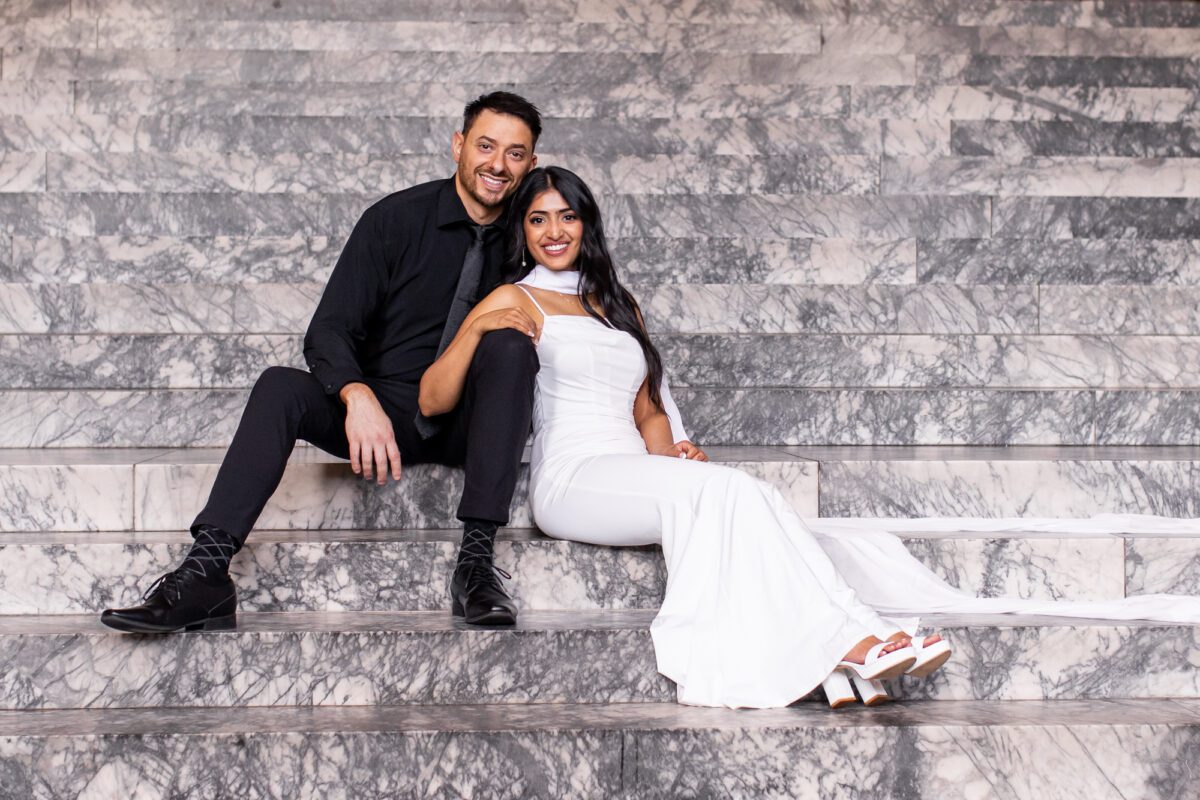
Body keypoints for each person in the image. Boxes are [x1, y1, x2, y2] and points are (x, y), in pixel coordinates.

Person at [100, 92, 701, 633]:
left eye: (515, 154)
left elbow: (610, 340)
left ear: (531, 162)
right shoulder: (394, 220)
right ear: (458, 145)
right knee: (279, 387)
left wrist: (663, 445)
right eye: (486, 146)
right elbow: (329, 329)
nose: (498, 164)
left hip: (476, 418)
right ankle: (205, 573)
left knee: (509, 344)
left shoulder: (534, 239)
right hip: (383, 413)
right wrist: (356, 396)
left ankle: (476, 563)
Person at [418, 166, 951, 708]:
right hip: (572, 476)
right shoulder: (513, 298)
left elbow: (648, 410)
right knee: (728, 494)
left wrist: (672, 455)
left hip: (633, 467)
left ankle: (846, 647)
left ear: (586, 224)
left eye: (567, 216)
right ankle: (854, 639)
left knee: (750, 492)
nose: (554, 231)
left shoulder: (617, 303)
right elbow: (432, 398)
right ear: (522, 230)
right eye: (538, 219)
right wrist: (478, 327)